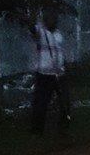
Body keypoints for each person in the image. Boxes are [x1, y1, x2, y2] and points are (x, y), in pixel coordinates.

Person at [27, 7, 70, 135]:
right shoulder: (40, 32)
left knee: (65, 101)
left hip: (59, 73)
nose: (55, 21)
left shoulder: (58, 34)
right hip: (44, 74)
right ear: (46, 21)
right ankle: (37, 130)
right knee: (41, 103)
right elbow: (32, 28)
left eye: (56, 19)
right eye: (52, 19)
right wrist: (32, 14)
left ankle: (63, 127)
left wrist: (65, 66)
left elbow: (61, 52)